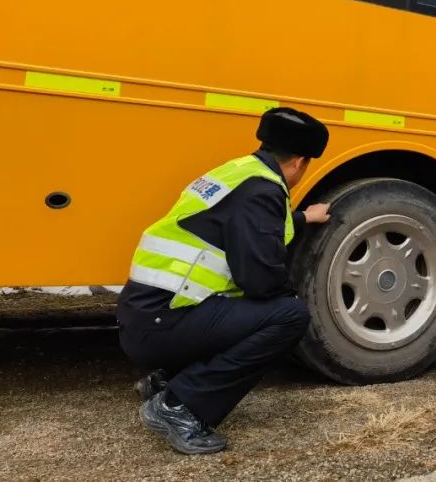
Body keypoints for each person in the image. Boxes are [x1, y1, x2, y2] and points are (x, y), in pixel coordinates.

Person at [117, 107, 332, 454]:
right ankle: (180, 407)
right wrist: (293, 297)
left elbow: (247, 226)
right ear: (299, 163)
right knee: (289, 315)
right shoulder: (264, 190)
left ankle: (166, 381)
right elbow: (260, 280)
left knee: (244, 310)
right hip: (160, 325)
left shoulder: (237, 173)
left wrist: (304, 217)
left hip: (145, 315)